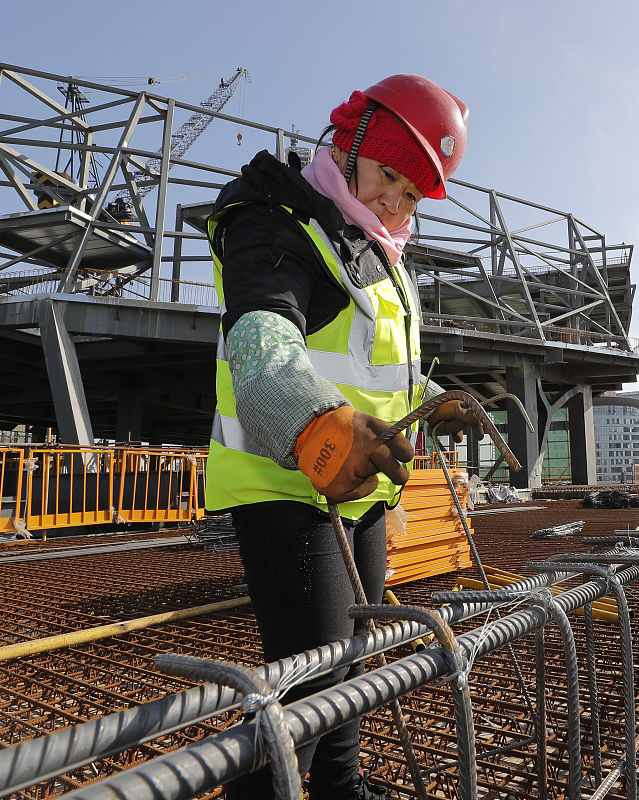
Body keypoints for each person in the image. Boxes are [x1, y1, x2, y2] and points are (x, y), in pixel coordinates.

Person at [205, 75, 480, 800]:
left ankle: (338, 788)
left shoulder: (372, 248)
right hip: (287, 482)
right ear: (351, 143)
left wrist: (430, 400)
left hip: (355, 488)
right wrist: (314, 421)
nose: (396, 201)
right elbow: (262, 338)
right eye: (390, 175)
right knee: (306, 683)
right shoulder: (276, 219)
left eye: (414, 195)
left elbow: (369, 368)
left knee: (348, 663)